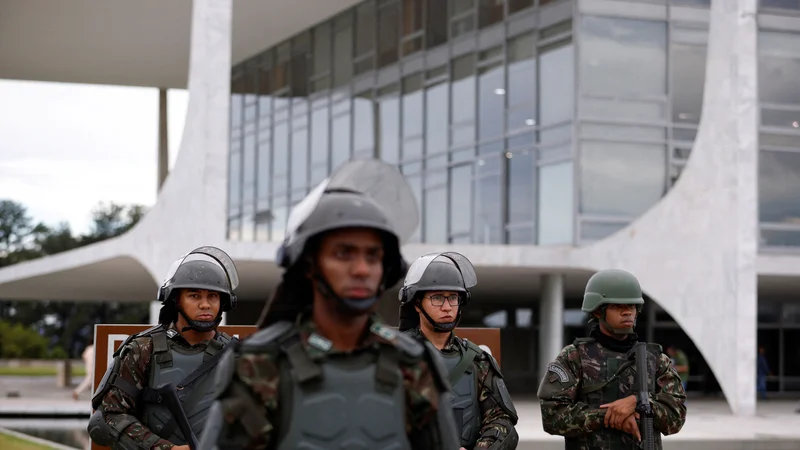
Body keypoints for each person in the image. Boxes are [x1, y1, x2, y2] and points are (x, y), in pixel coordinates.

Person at [199, 159, 461, 450]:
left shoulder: (413, 363)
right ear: (309, 265)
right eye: (343, 254)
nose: (362, 269)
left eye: (373, 256)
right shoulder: (259, 364)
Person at [88, 246, 241, 450]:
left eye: (213, 296)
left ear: (223, 302)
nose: (205, 304)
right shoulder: (143, 349)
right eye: (194, 296)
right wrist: (162, 448)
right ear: (176, 300)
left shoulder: (237, 355)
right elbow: (109, 416)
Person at [537, 269, 686, 449]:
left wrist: (638, 403)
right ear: (598, 312)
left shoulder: (656, 360)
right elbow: (552, 416)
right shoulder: (575, 356)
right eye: (617, 306)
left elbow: (676, 418)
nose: (627, 312)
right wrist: (610, 416)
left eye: (631, 306)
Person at [398, 252, 519, 450]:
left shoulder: (477, 360)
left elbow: (502, 422)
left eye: (453, 298)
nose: (447, 307)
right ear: (417, 304)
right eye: (437, 298)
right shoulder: (394, 356)